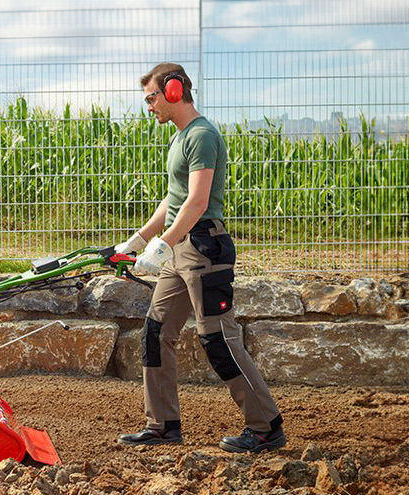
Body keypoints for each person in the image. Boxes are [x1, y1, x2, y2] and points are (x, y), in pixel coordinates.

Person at [114, 63, 286, 453]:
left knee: (217, 338)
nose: (148, 106)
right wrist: (138, 241)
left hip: (205, 248)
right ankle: (162, 425)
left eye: (151, 97)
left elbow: (198, 200)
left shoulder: (202, 135)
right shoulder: (179, 138)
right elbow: (174, 199)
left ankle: (265, 427)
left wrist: (164, 244)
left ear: (174, 90)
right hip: (180, 250)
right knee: (156, 333)